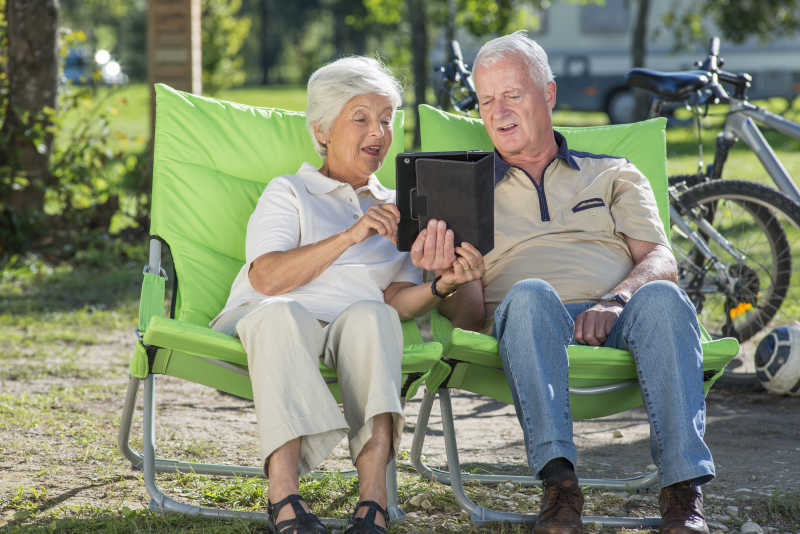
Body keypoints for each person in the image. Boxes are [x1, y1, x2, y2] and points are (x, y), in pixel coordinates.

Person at [209, 56, 484, 534]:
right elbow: (267, 279)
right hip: (269, 321)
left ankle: (372, 500)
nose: (377, 132)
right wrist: (350, 235)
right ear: (322, 131)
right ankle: (284, 495)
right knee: (282, 314)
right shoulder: (289, 192)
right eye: (360, 118)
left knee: (375, 316)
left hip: (348, 332)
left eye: (385, 119)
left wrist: (441, 285)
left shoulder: (399, 207)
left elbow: (397, 298)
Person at [455, 31, 714, 534]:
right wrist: (454, 278)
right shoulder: (464, 192)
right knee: (528, 294)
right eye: (487, 100)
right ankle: (560, 490)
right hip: (524, 326)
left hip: (618, 318)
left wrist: (616, 300)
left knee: (663, 297)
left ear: (547, 94)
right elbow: (464, 321)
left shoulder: (614, 172)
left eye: (513, 95)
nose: (498, 112)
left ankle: (683, 495)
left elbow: (660, 258)